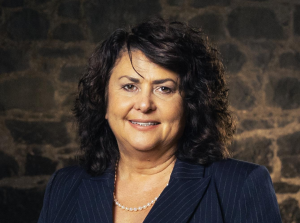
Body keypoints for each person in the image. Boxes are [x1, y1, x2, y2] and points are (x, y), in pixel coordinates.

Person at [38, 18, 282, 223]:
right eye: (129, 86)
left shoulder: (241, 186)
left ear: (190, 103)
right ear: (104, 100)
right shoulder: (64, 186)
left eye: (164, 89)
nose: (144, 105)